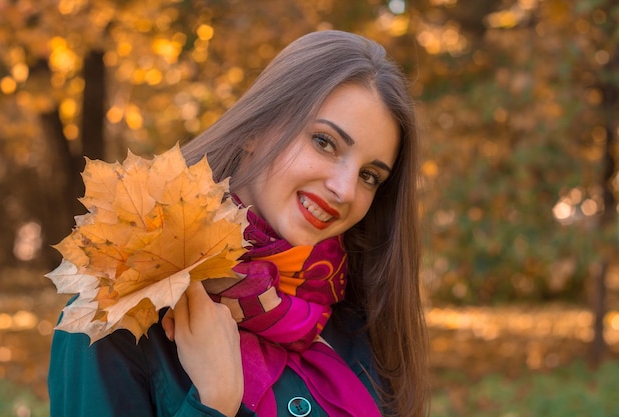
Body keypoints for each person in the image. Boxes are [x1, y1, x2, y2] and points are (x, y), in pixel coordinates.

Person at [48, 30, 429, 417]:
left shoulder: (358, 317)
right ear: (255, 129)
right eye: (325, 142)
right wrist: (214, 400)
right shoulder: (121, 311)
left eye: (369, 175)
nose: (345, 189)